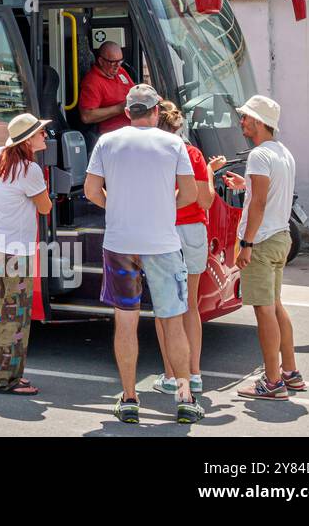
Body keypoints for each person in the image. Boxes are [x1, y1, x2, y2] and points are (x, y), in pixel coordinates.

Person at [84, 84, 203, 424]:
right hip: (163, 244)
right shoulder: (174, 142)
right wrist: (164, 208)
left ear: (127, 112)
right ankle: (184, 397)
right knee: (173, 320)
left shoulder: (107, 142)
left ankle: (129, 398)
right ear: (154, 112)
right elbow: (191, 192)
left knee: (126, 321)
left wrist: (118, 207)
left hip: (121, 244)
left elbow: (92, 191)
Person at [223, 95, 303, 400]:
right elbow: (267, 193)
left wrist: (246, 243)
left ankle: (271, 381)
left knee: (264, 311)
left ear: (258, 122)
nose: (241, 122)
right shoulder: (283, 153)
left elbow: (258, 204)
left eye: (245, 117)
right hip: (281, 237)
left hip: (263, 240)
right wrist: (244, 185)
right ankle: (290, 372)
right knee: (276, 305)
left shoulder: (258, 156)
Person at [151, 101, 225, 398]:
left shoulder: (153, 153)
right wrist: (208, 171)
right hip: (195, 231)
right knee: (191, 305)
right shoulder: (192, 153)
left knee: (164, 310)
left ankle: (171, 376)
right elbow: (206, 201)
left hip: (164, 232)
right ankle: (194, 374)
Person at [0, 113, 52, 395]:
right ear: (27, 140)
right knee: (15, 317)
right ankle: (7, 380)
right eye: (40, 133)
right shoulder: (29, 171)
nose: (44, 136)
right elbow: (45, 208)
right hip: (15, 254)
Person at [78, 41, 135, 134]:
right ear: (101, 61)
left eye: (120, 61)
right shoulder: (92, 82)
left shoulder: (120, 71)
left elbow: (133, 89)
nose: (117, 66)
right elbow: (86, 116)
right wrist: (120, 108)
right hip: (115, 133)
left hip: (134, 126)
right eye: (113, 62)